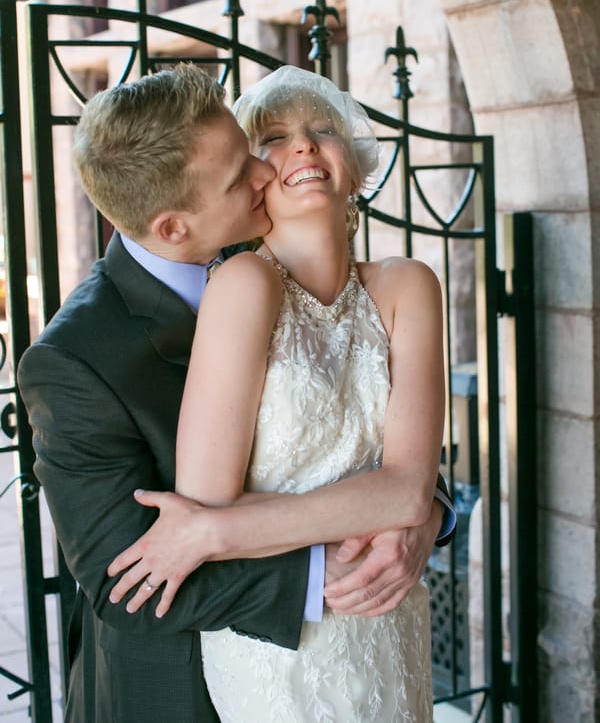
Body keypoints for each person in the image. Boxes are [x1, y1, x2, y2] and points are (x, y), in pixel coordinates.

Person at [17, 64, 453, 723]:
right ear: (173, 228)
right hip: (183, 690)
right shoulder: (73, 359)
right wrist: (325, 568)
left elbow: (382, 446)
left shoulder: (280, 238)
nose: (265, 169)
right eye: (247, 163)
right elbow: (126, 578)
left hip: (377, 641)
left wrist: (423, 513)